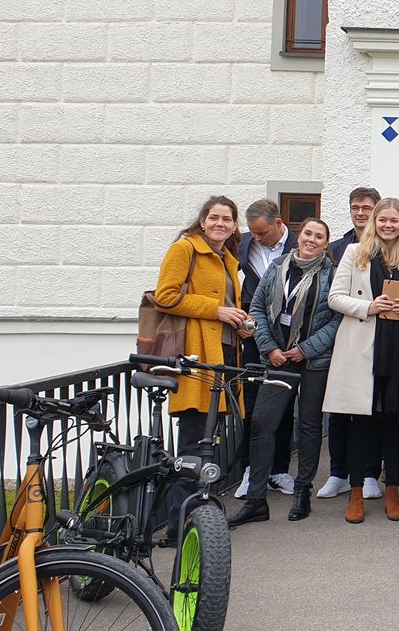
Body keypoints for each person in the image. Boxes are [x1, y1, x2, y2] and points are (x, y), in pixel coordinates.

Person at [322, 198, 399, 524]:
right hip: (363, 345)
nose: (388, 225)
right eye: (382, 220)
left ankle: (393, 491)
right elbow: (335, 297)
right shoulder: (356, 254)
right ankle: (356, 493)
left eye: (394, 221)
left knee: (396, 421)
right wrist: (369, 306)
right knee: (361, 422)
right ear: (374, 222)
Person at [229, 218, 341, 526]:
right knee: (263, 424)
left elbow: (336, 320)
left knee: (308, 425)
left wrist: (306, 349)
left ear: (325, 243)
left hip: (313, 360)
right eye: (308, 233)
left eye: (319, 236)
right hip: (278, 358)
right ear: (299, 236)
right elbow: (258, 309)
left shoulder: (331, 274)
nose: (312, 239)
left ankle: (302, 492)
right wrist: (270, 349)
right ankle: (255, 500)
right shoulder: (278, 266)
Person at [153, 196, 250, 536]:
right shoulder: (186, 249)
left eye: (227, 219)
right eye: (214, 217)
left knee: (208, 442)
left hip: (221, 356)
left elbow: (221, 307)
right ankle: (179, 523)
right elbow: (164, 296)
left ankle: (197, 516)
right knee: (194, 442)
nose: (220, 223)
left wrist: (236, 320)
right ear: (203, 220)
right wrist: (217, 310)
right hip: (197, 359)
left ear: (235, 225)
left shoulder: (225, 258)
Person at [235, 199, 297, 499]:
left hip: (287, 341)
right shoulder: (242, 246)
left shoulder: (299, 244)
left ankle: (279, 470)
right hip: (251, 336)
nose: (257, 238)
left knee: (283, 406)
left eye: (262, 232)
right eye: (253, 233)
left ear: (278, 223)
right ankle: (250, 470)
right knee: (252, 404)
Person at [329, 187, 381, 261]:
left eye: (366, 208)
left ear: (377, 212)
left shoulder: (388, 246)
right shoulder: (333, 250)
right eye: (355, 208)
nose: (360, 213)